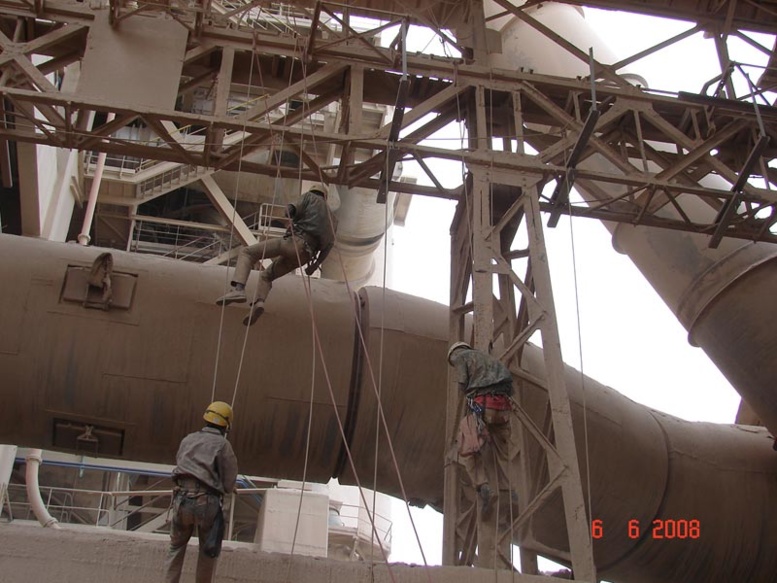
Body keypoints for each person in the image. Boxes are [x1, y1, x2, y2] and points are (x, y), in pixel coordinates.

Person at [215, 183, 338, 326]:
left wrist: (289, 212)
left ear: (314, 191)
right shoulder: (334, 221)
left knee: (247, 253)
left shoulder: (309, 197)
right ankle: (259, 303)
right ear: (326, 196)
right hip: (304, 257)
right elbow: (328, 247)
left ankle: (238, 289)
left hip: (293, 243)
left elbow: (290, 210)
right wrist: (315, 265)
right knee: (267, 275)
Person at [164, 401, 239, 583]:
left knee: (175, 549)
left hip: (181, 500)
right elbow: (229, 482)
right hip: (207, 504)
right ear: (226, 425)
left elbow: (181, 464)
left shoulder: (188, 439)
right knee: (207, 552)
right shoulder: (223, 445)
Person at [447, 341, 514, 515]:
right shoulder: (489, 360)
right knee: (502, 451)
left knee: (467, 447)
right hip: (503, 409)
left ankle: (483, 486)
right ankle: (509, 491)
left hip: (484, 407)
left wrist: (468, 392)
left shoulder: (462, 357)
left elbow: (462, 383)